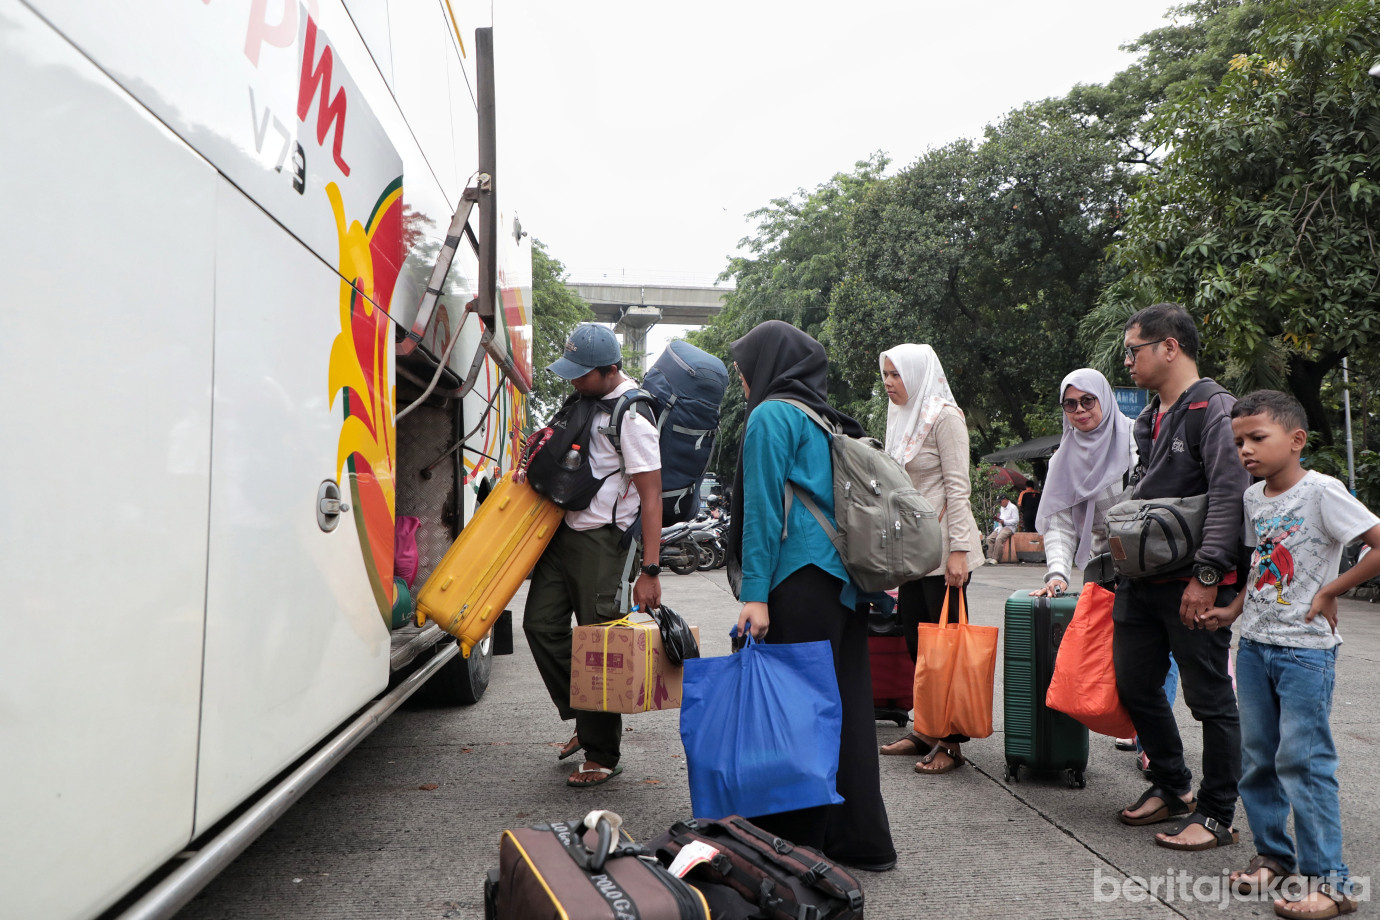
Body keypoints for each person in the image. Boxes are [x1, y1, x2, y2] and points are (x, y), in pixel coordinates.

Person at [1200, 390, 1380, 919]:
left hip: (1305, 653)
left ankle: (1332, 883)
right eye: (1239, 442)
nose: (1246, 450)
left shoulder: (1322, 491)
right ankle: (1274, 856)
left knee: (1304, 762)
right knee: (1259, 758)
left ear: (1297, 439)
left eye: (1257, 438)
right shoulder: (1254, 498)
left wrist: (1331, 590)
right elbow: (1263, 563)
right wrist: (1233, 612)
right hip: (1254, 647)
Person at [728, 320, 896, 872]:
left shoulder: (771, 415)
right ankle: (861, 840)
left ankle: (794, 843)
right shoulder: (823, 418)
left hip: (797, 578)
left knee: (794, 713)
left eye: (744, 369)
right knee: (846, 711)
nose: (742, 380)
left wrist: (755, 594)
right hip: (841, 583)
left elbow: (762, 512)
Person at [1112, 303, 1250, 851]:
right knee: (1135, 684)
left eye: (1134, 350)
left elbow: (1229, 495)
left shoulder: (1213, 409)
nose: (1127, 361)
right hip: (1142, 580)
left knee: (1210, 698)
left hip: (1193, 583)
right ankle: (1172, 786)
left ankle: (1216, 814)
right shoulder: (1150, 416)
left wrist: (1209, 574)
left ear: (1170, 347)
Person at [520, 323, 663, 788]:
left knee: (599, 648)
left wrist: (650, 570)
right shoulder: (584, 401)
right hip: (562, 534)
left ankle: (602, 752)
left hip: (604, 543)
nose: (574, 380)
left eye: (583, 373)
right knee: (540, 625)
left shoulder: (632, 417)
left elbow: (652, 496)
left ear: (611, 370)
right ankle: (586, 719)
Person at [875, 344, 984, 774]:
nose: (888, 383)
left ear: (917, 375)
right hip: (912, 552)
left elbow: (958, 488)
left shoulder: (945, 417)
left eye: (896, 375)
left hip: (944, 554)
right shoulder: (900, 416)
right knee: (916, 644)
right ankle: (925, 728)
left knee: (946, 650)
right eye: (885, 374)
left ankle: (950, 742)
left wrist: (959, 551)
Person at [1032, 368, 1137, 597]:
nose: (1079, 409)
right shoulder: (1062, 461)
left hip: (1148, 566)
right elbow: (1060, 524)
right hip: (1103, 572)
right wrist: (1058, 575)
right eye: (1070, 404)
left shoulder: (1137, 439)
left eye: (1088, 400)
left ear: (1103, 398)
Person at [983, 494, 1019, 564]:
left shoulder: (1013, 508)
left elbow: (1016, 520)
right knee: (989, 538)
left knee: (999, 539)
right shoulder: (1002, 508)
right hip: (1001, 527)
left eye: (1000, 502)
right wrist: (999, 520)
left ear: (1005, 500)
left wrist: (1004, 521)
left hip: (1009, 527)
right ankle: (989, 557)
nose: (1000, 503)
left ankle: (995, 558)